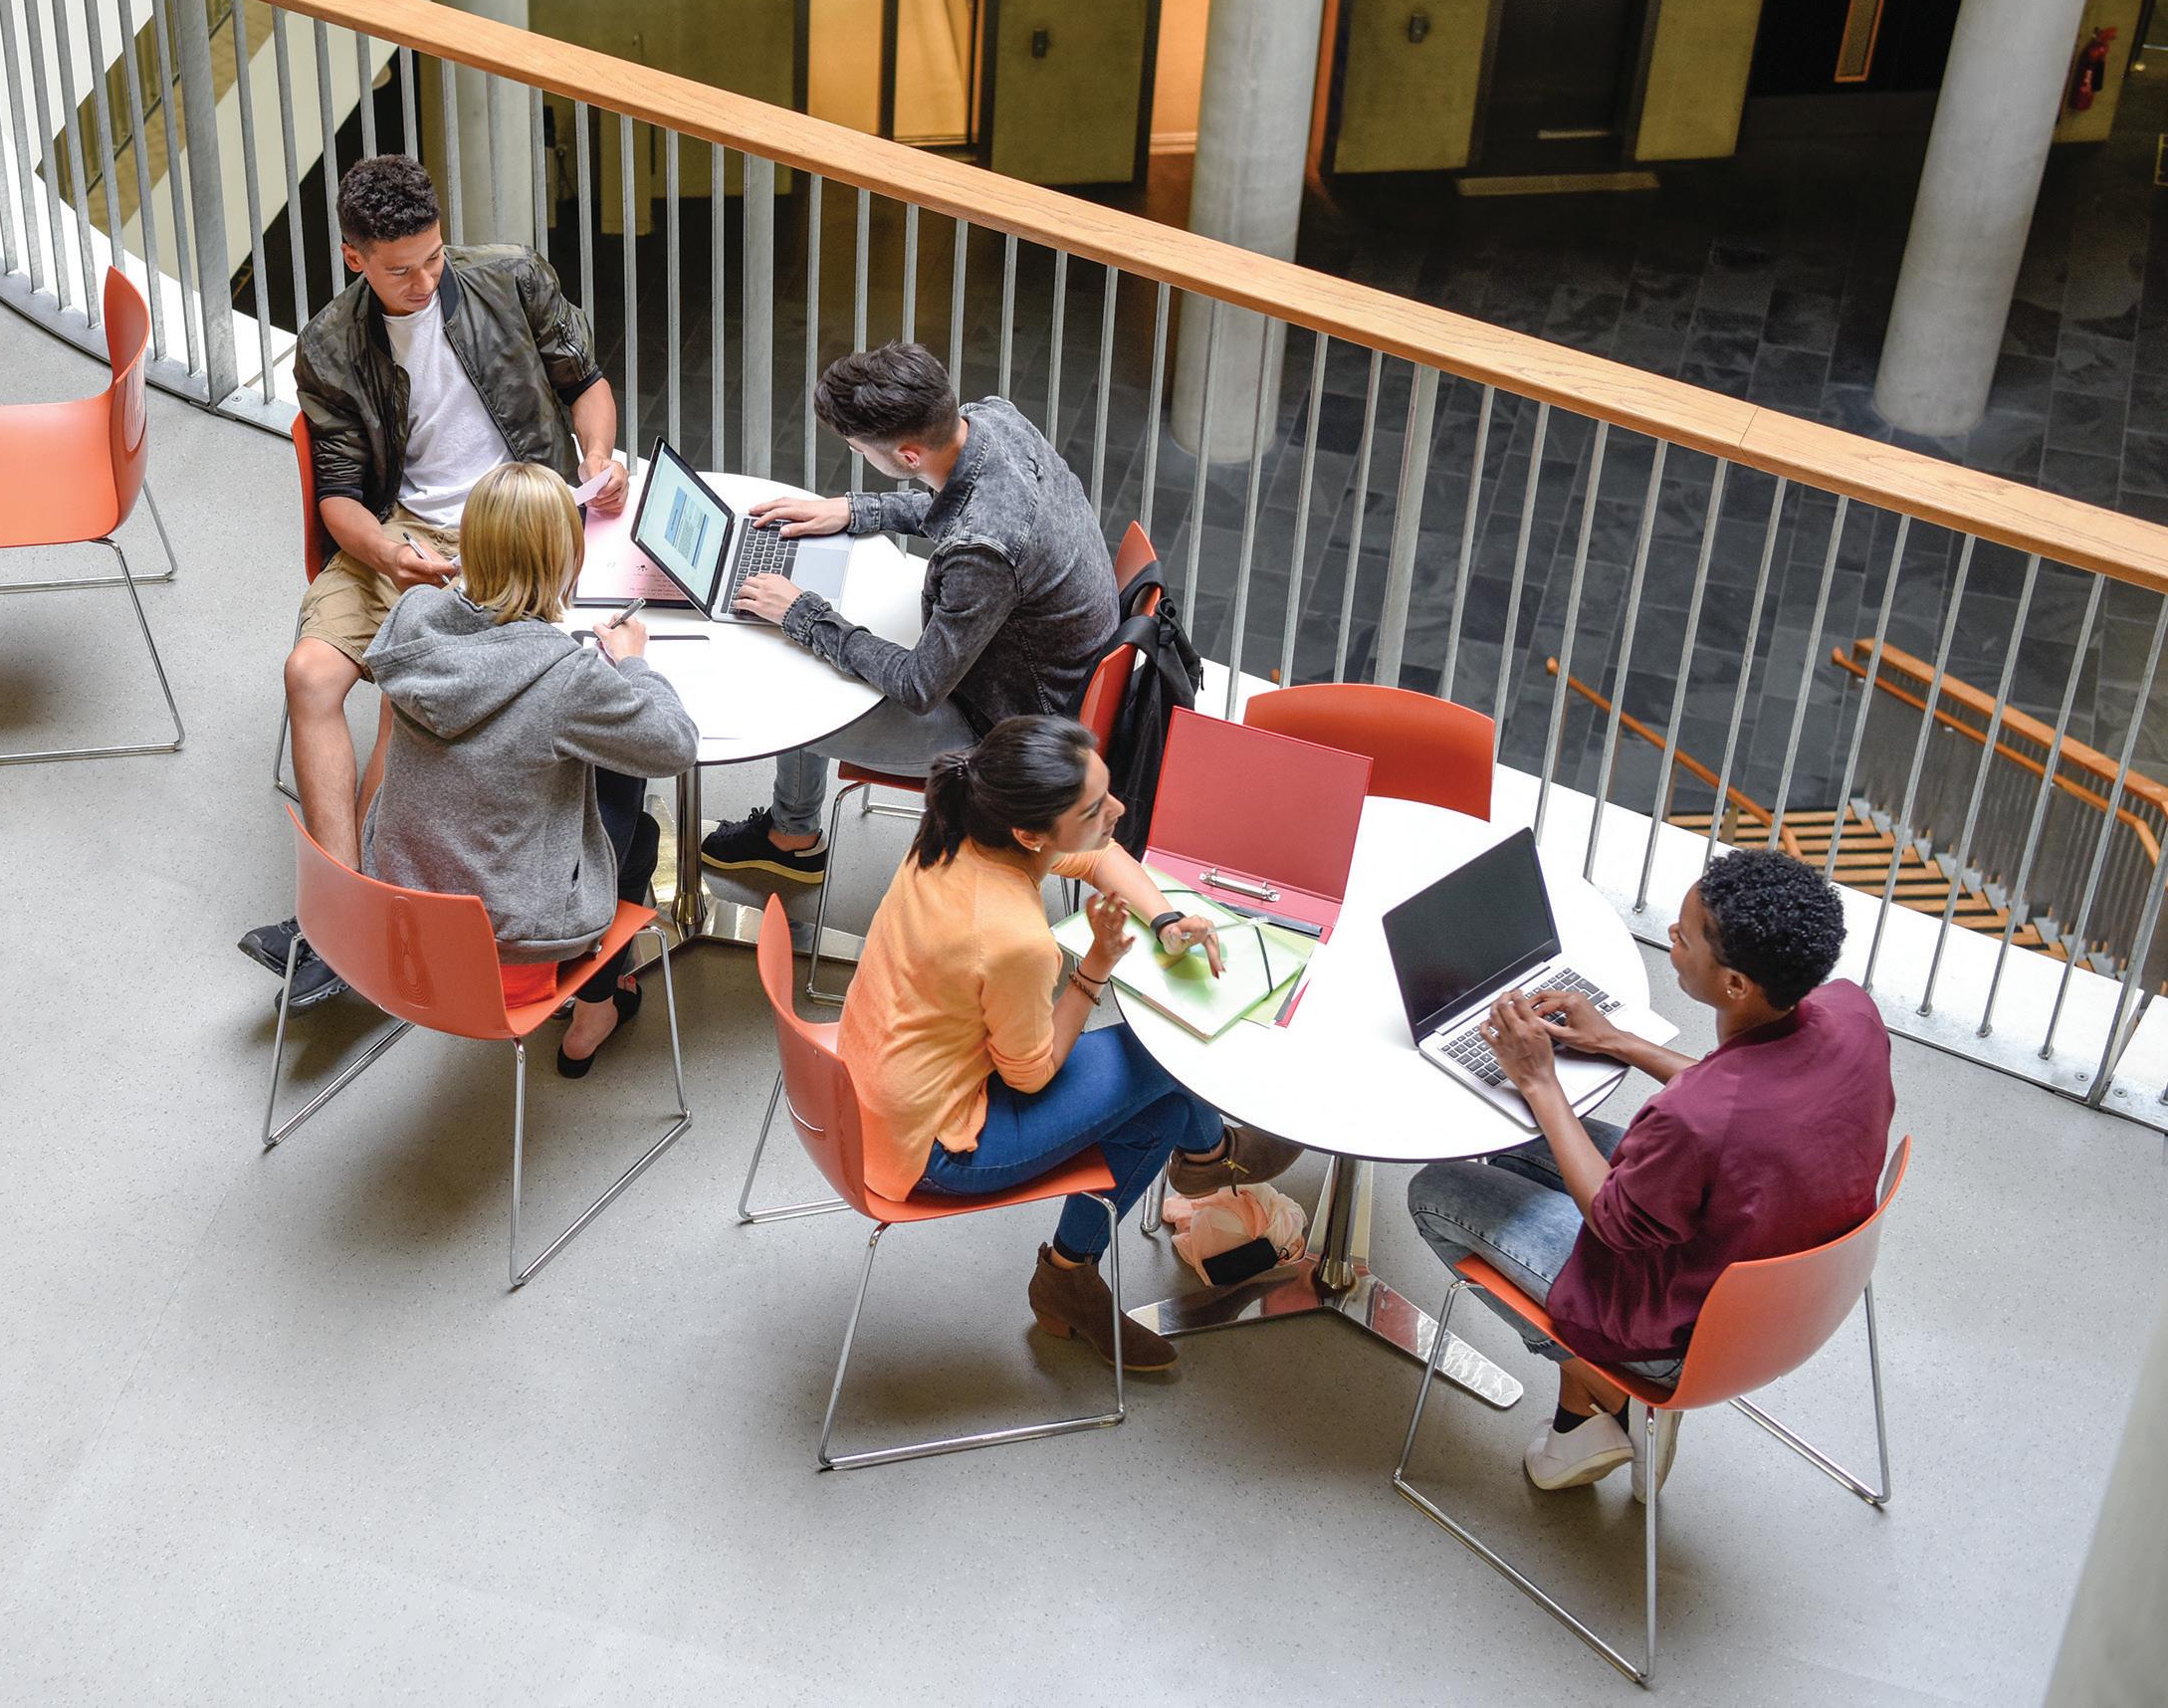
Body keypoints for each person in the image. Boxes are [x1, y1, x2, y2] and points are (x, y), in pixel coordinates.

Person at [240, 154, 623, 1012]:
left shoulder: (512, 278)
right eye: (400, 270)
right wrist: (385, 554)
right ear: (354, 258)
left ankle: (351, 923)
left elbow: (587, 383)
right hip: (396, 531)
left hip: (506, 522)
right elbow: (339, 496)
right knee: (309, 674)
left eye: (434, 259)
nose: (424, 283)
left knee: (404, 697)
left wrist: (596, 455)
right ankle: (347, 910)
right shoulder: (331, 344)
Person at [1405, 848, 1894, 1494]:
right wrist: (1616, 1041)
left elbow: (1613, 1222)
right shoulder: (1853, 1015)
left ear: (1736, 986)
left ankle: (1610, 1395)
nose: (1670, 936)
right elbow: (1756, 1097)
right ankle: (1586, 1415)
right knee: (1511, 1144)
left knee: (1435, 1189)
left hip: (1685, 1335)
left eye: (1685, 938)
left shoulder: (1695, 1118)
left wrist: (1539, 1079)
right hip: (1789, 1297)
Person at [841, 715, 1298, 1374]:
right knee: (1170, 1054)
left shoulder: (958, 830)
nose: (1119, 810)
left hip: (869, 1087)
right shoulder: (1014, 940)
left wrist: (1165, 917)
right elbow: (1030, 1075)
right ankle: (1209, 1158)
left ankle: (1106, 1243)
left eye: (1106, 791)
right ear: (1031, 834)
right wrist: (1094, 970)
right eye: (1094, 808)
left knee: (1166, 1107)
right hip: (935, 1148)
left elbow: (1096, 854)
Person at [698, 342, 1119, 884]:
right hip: (1045, 678)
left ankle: (791, 837)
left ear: (909, 456)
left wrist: (802, 612)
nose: (858, 455)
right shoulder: (996, 420)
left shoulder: (983, 553)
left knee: (791, 708)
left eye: (859, 449)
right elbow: (962, 501)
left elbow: (919, 685)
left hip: (1005, 727)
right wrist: (855, 509)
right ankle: (792, 833)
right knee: (823, 649)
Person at [358, 463, 697, 1072]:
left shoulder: (412, 617)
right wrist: (632, 662)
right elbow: (675, 745)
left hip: (397, 918)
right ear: (567, 559)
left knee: (591, 765)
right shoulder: (567, 676)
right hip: (506, 954)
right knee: (638, 817)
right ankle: (594, 1009)